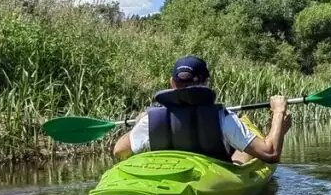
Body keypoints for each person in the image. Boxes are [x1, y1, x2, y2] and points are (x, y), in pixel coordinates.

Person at [112, 55, 291, 164]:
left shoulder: (151, 119)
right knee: (243, 150)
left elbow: (119, 151)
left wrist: (138, 125)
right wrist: (278, 112)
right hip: (211, 179)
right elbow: (270, 154)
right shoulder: (222, 118)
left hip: (167, 177)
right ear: (205, 82)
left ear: (172, 83)